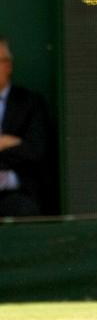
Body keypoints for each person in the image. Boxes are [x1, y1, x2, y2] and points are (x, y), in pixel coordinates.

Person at [0, 37, 51, 217]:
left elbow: (35, 149)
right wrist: (7, 143)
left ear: (8, 66)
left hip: (17, 193)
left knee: (23, 209)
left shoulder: (30, 103)